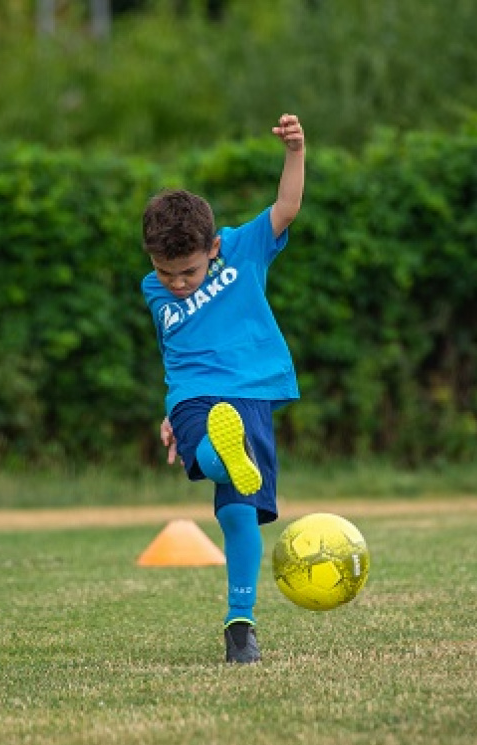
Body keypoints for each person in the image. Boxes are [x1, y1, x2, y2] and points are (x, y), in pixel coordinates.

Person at [141, 114, 305, 664]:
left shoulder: (244, 247)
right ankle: (216, 448)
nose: (178, 284)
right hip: (193, 396)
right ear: (152, 260)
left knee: (239, 514)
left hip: (250, 395)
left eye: (188, 271)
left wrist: (295, 153)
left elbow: (286, 208)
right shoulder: (153, 287)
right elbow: (177, 350)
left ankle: (241, 629)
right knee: (213, 454)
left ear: (214, 247)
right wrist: (171, 417)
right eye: (167, 273)